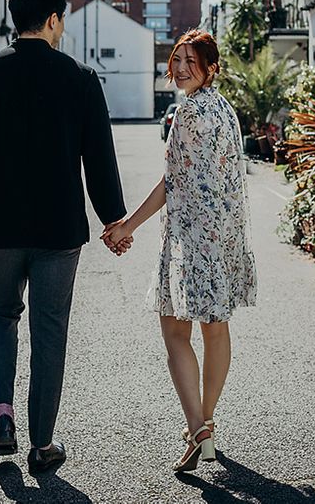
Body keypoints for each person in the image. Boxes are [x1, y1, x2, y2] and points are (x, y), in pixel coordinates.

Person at [0, 0, 131, 475]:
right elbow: (100, 161)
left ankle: (3, 415)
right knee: (49, 330)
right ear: (51, 19)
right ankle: (42, 444)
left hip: (1, 228)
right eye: (62, 18)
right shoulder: (81, 79)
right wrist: (114, 220)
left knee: (0, 316)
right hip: (59, 232)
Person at [102, 29, 256, 472]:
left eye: (191, 61)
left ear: (210, 67)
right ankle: (205, 422)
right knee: (216, 329)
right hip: (223, 236)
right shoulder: (226, 109)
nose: (182, 67)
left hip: (192, 238)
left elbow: (172, 184)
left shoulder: (188, 111)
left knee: (174, 331)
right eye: (178, 59)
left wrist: (125, 226)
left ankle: (199, 427)